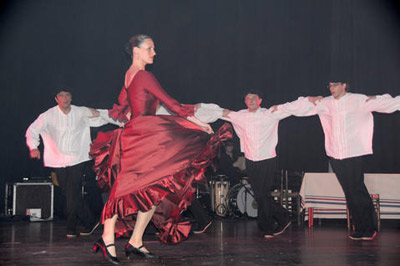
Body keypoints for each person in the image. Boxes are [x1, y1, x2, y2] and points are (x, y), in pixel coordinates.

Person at [90, 34, 231, 264]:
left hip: (140, 134)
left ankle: (136, 240)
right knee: (122, 190)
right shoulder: (144, 75)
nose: (154, 53)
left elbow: (124, 106)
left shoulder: (129, 75)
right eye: (150, 48)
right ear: (136, 51)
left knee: (153, 189)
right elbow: (172, 104)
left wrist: (129, 119)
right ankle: (107, 239)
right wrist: (200, 123)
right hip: (143, 136)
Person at [277, 81, 400, 240]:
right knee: (348, 190)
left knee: (356, 188)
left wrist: (377, 97)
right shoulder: (326, 103)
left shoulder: (357, 100)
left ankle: (369, 227)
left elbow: (387, 103)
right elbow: (301, 107)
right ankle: (360, 227)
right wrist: (288, 106)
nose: (331, 88)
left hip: (353, 151)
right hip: (335, 153)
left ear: (344, 85)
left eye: (335, 85)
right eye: (329, 86)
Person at [221, 90, 319, 238]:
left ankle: (269, 226)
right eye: (248, 98)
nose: (251, 100)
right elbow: (220, 112)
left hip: (267, 159)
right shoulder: (240, 115)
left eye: (254, 98)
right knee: (260, 195)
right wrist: (191, 110)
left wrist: (308, 100)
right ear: (245, 101)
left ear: (260, 100)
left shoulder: (269, 113)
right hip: (251, 159)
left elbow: (289, 107)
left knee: (262, 193)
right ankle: (278, 218)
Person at [25, 89, 113, 238]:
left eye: (67, 95)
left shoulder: (80, 112)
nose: (64, 98)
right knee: (69, 192)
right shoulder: (48, 115)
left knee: (72, 192)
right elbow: (32, 130)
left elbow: (100, 116)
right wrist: (33, 147)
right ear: (56, 99)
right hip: (57, 159)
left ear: (71, 98)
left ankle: (71, 228)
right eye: (61, 96)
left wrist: (117, 117)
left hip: (78, 158)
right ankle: (90, 221)